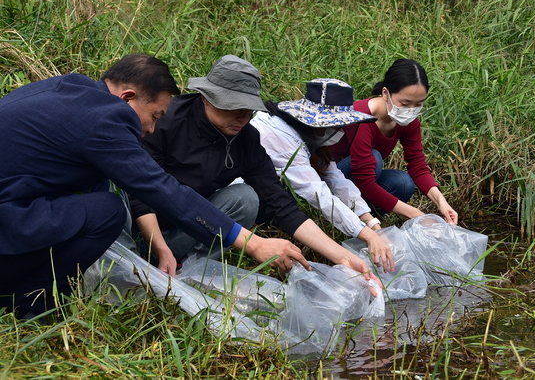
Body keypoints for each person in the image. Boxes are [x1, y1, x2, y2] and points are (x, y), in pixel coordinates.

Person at [0, 54, 310, 318]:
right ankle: (29, 300)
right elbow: (162, 189)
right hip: (8, 219)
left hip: (17, 202)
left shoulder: (70, 90)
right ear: (127, 97)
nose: (150, 129)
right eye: (154, 116)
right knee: (106, 211)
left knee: (99, 192)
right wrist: (255, 244)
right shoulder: (105, 119)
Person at [129, 55, 377, 284]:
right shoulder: (166, 122)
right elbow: (141, 192)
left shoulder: (246, 138)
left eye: (248, 111)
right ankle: (157, 256)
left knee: (245, 198)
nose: (242, 118)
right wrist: (159, 247)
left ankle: (191, 268)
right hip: (146, 224)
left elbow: (280, 203)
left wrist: (343, 256)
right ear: (206, 97)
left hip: (191, 221)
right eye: (233, 108)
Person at [251, 78, 396, 272]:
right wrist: (367, 235)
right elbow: (319, 195)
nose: (339, 131)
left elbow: (336, 179)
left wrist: (373, 224)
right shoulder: (279, 136)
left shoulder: (308, 134)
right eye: (336, 126)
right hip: (250, 197)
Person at [331, 59, 458, 224]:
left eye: (418, 104)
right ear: (385, 94)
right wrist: (415, 214)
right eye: (405, 103)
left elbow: (417, 165)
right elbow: (364, 181)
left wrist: (442, 202)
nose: (411, 110)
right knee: (374, 157)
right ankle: (346, 214)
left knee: (403, 183)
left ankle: (367, 217)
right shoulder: (361, 117)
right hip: (332, 178)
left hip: (361, 178)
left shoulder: (409, 120)